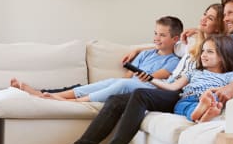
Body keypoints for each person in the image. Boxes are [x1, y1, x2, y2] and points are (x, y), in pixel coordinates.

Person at [37, 2, 229, 144]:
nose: (203, 19)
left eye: (210, 18)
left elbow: (220, 70)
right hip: (168, 86)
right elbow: (163, 46)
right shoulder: (192, 43)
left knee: (138, 94)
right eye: (204, 14)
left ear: (219, 25)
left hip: (179, 92)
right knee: (114, 100)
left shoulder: (219, 48)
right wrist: (137, 49)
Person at [10, 16, 183, 102]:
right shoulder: (146, 54)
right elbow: (128, 76)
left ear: (175, 39)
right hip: (132, 84)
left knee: (122, 84)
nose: (157, 38)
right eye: (155, 34)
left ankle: (75, 102)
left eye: (162, 35)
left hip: (147, 89)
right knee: (115, 81)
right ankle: (48, 96)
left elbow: (154, 77)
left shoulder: (174, 60)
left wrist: (127, 81)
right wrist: (121, 80)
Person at [136, 35, 233, 122]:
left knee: (214, 97)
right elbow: (172, 87)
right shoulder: (194, 72)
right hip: (187, 99)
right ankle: (201, 114)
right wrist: (151, 79)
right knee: (180, 106)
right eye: (203, 51)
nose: (203, 55)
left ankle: (204, 110)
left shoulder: (231, 75)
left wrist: (211, 94)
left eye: (210, 52)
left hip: (209, 97)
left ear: (224, 56)